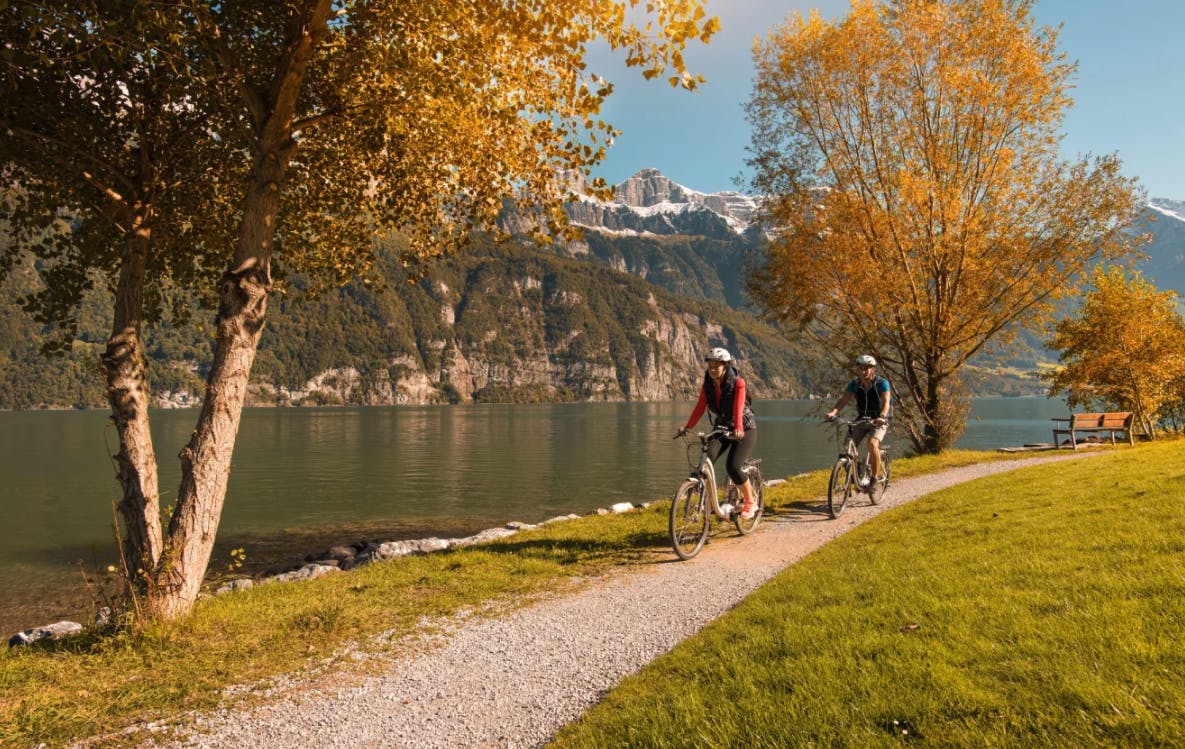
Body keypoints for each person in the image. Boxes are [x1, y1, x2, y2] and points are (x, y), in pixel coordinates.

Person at [675, 347, 759, 519]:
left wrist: (738, 428)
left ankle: (750, 501)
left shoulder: (738, 383)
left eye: (716, 366)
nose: (712, 369)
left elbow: (738, 407)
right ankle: (707, 502)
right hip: (722, 426)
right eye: (710, 366)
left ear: (725, 366)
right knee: (707, 461)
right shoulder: (708, 385)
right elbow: (700, 407)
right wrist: (688, 426)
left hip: (744, 427)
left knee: (733, 466)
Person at [825, 354, 891, 486]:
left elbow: (886, 402)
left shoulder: (882, 383)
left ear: (873, 369)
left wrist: (882, 416)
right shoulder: (854, 384)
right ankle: (859, 470)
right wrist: (833, 412)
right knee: (847, 446)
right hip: (861, 419)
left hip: (879, 420)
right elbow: (844, 399)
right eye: (860, 368)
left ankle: (874, 479)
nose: (863, 371)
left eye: (866, 368)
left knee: (872, 444)